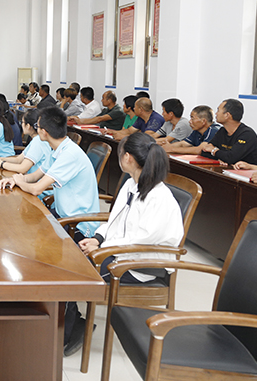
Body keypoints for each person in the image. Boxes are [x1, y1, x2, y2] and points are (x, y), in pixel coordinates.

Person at [75, 132, 184, 355]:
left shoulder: (158, 197)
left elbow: (141, 240)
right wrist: (97, 239)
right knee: (71, 262)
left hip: (140, 264)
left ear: (128, 157)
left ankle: (71, 330)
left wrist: (102, 250)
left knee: (75, 274)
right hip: (120, 253)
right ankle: (72, 323)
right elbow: (114, 220)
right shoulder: (131, 185)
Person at [0, 106, 100, 240]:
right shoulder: (56, 150)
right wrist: (16, 179)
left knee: (26, 234)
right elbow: (35, 176)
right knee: (24, 230)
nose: (36, 129)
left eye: (37, 126)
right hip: (63, 214)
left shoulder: (69, 154)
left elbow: (36, 189)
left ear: (44, 132)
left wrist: (20, 182)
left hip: (78, 225)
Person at [199, 99, 257, 166]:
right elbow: (204, 151)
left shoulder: (247, 134)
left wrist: (214, 151)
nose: (216, 113)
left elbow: (231, 158)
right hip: (231, 169)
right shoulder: (222, 131)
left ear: (227, 115)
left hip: (254, 171)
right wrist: (219, 158)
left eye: (218, 110)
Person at [0, 109, 51, 173]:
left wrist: (0, 163)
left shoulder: (38, 141)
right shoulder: (36, 139)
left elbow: (22, 168)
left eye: (22, 122)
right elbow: (18, 159)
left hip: (31, 178)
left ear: (28, 126)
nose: (21, 125)